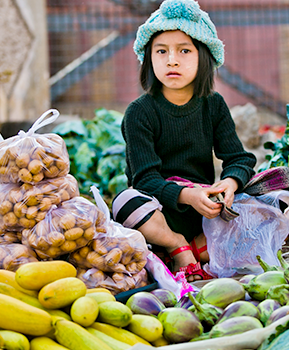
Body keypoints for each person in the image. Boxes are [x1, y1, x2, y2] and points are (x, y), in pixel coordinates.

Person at [111, 0, 257, 281]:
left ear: (204, 57)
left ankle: (197, 246)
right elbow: (144, 180)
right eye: (161, 51)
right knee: (125, 201)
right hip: (159, 213)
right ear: (149, 58)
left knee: (271, 196)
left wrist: (229, 183)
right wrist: (186, 195)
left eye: (184, 51)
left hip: (207, 213)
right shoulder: (139, 112)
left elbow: (239, 159)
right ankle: (176, 245)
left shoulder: (213, 105)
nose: (172, 60)